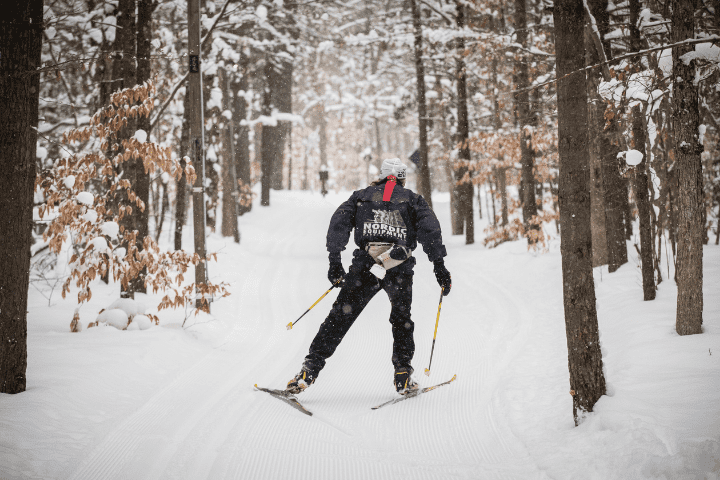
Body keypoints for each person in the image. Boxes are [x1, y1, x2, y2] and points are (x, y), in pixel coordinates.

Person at [287, 158, 452, 396]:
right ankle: (403, 374)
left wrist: (334, 260)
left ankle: (308, 370)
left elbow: (338, 224)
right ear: (402, 178)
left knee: (339, 319)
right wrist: (439, 266)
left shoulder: (361, 196)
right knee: (401, 320)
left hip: (364, 266)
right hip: (399, 268)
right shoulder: (413, 200)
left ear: (381, 176)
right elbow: (430, 231)